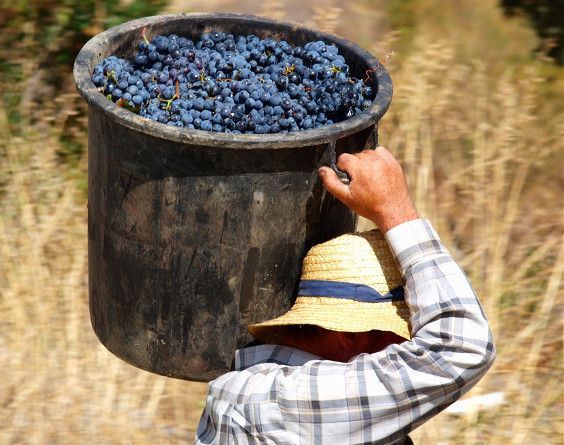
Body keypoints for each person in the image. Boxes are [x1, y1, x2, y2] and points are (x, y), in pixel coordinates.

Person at [194, 146, 496, 445]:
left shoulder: (268, 393)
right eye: (401, 338)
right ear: (350, 336)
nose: (406, 348)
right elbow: (461, 347)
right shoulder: (287, 404)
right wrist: (397, 212)